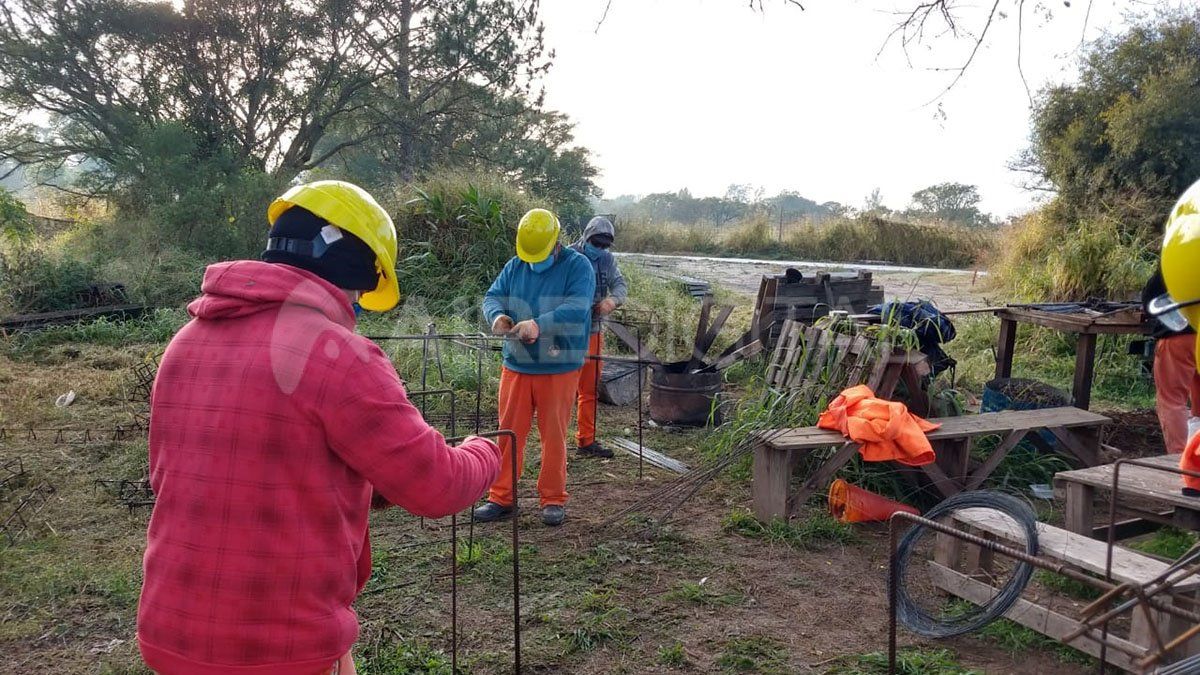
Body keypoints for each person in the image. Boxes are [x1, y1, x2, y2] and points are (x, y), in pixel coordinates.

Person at [137, 180, 502, 675]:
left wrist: (364, 482)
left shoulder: (185, 343)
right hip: (280, 648)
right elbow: (436, 486)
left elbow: (187, 474)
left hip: (172, 631)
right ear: (351, 266)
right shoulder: (341, 357)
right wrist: (486, 451)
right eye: (364, 286)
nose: (357, 303)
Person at [475, 208, 595, 526]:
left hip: (559, 366)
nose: (533, 261)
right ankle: (501, 496)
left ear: (557, 244)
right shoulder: (516, 265)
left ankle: (552, 498)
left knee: (553, 434)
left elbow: (577, 307)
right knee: (509, 432)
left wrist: (539, 324)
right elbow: (492, 296)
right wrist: (498, 316)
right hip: (517, 364)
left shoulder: (578, 266)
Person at [1149, 177, 1200, 496]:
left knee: (1172, 401)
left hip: (1178, 337)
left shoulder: (1176, 256)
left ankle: (1177, 465)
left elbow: (1152, 297)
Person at [569, 216, 628, 458]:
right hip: (568, 334)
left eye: (604, 245)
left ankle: (586, 441)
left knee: (589, 390)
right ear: (586, 237)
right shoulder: (568, 255)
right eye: (596, 243)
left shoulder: (607, 260)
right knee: (562, 390)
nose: (600, 249)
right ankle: (553, 443)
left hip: (593, 332)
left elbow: (620, 285)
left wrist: (612, 300)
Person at [1142, 263, 1200, 454]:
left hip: (1179, 332)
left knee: (1172, 400)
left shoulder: (1182, 246)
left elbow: (1153, 293)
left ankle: (1179, 463)